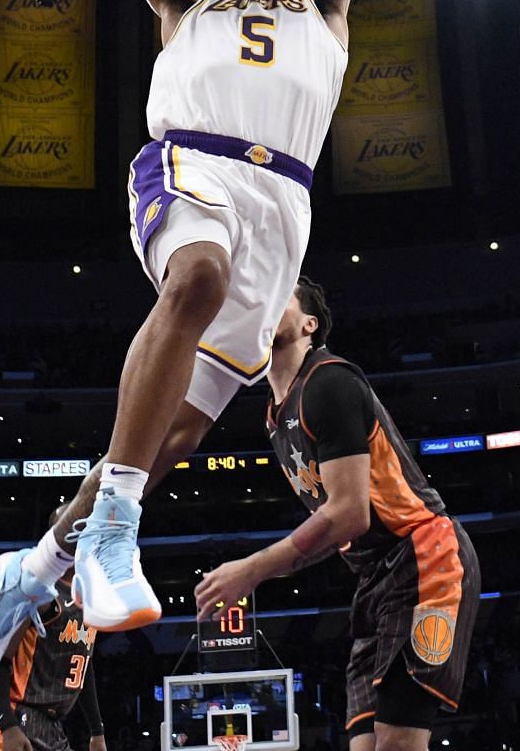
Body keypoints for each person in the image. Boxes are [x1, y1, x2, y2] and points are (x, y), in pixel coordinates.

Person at [0, 0, 361, 689]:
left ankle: (33, 569)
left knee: (168, 436)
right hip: (190, 166)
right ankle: (116, 532)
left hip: (283, 207)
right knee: (197, 278)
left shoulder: (326, 5)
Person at [193, 278, 478, 751]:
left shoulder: (330, 381)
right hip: (373, 580)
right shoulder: (274, 413)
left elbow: (348, 514)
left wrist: (252, 570)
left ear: (310, 324)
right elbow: (336, 529)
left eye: (279, 293)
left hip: (423, 555)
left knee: (396, 743)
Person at [0, 567, 109, 751]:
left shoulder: (91, 601)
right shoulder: (42, 593)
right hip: (16, 714)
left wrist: (97, 731)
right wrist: (7, 725)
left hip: (53, 726)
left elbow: (83, 666)